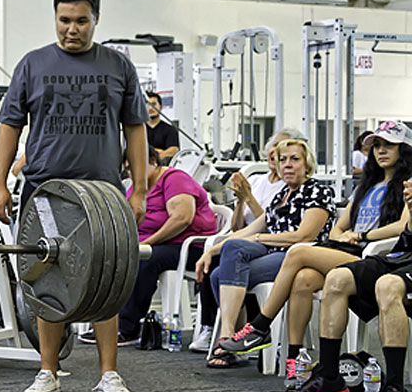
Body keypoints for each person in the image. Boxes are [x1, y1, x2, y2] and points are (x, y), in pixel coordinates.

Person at [0, 0, 149, 392]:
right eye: (64, 20)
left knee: (108, 277)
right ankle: (48, 370)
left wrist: (139, 190)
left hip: (103, 191)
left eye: (81, 21)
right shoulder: (32, 64)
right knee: (46, 276)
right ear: (55, 18)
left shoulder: (118, 67)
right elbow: (10, 125)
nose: (72, 29)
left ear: (96, 20)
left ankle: (109, 373)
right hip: (46, 190)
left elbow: (135, 129)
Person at [233, 121, 412, 385]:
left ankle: (260, 325)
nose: (380, 151)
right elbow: (338, 227)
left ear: (404, 150)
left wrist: (361, 236)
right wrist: (344, 236)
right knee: (303, 278)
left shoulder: (406, 184)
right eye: (376, 146)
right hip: (347, 251)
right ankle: (294, 362)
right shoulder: (367, 184)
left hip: (374, 256)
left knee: (297, 254)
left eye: (389, 145)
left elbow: (401, 226)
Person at [196, 138, 334, 367]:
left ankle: (228, 337)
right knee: (219, 271)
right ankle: (236, 340)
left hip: (299, 256)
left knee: (227, 266)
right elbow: (247, 230)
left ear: (307, 165)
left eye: (294, 159)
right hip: (273, 252)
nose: (287, 164)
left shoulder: (318, 191)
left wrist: (259, 238)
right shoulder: (281, 196)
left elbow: (304, 236)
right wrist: (211, 251)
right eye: (283, 160)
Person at [283, 177, 412, 392]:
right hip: (402, 257)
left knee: (387, 285)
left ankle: (395, 389)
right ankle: (329, 375)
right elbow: (407, 237)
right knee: (337, 278)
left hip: (400, 269)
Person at [190, 128, 298, 352]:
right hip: (249, 238)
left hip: (268, 243)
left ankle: (229, 335)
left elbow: (271, 224)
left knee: (231, 254)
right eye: (276, 151)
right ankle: (218, 329)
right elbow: (238, 226)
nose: (278, 157)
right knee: (220, 263)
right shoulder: (259, 180)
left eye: (290, 155)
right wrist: (240, 202)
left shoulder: (289, 186)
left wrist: (249, 199)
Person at [118, 146, 217, 342]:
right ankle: (104, 322)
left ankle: (126, 328)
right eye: (128, 169)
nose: (133, 172)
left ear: (153, 161)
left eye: (137, 166)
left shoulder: (174, 179)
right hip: (160, 244)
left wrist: (146, 243)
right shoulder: (137, 188)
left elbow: (182, 218)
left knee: (146, 259)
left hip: (189, 246)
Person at [144, 92, 179, 163]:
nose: (150, 108)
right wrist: (159, 152)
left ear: (160, 107)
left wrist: (153, 156)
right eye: (147, 105)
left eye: (153, 104)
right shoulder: (138, 130)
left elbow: (173, 150)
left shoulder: (170, 129)